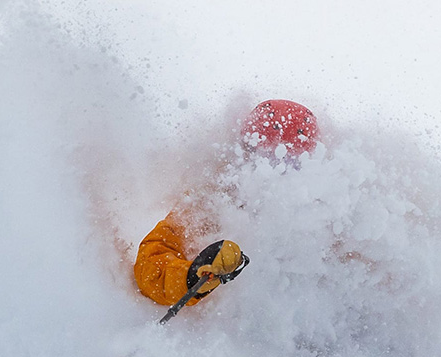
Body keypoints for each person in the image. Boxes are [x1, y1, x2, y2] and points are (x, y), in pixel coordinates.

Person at [133, 99, 320, 306]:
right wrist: (192, 276)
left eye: (291, 163)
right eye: (265, 158)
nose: (274, 172)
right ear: (245, 154)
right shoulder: (213, 199)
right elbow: (152, 261)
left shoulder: (327, 215)